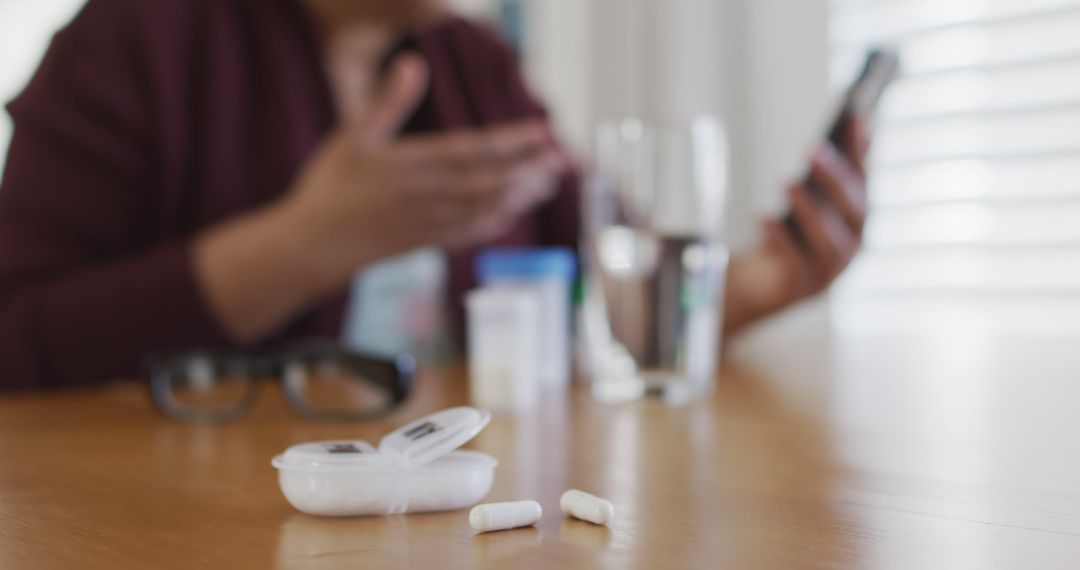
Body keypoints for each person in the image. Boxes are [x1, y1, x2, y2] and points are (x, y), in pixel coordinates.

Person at [0, 0, 869, 389]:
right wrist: (301, 247)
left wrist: (757, 286)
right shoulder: (132, 39)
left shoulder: (473, 65)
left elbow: (610, 304)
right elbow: (17, 334)